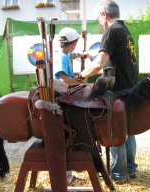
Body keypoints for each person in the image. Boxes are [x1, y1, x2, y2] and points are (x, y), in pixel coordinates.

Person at [76, 0, 138, 184]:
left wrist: (80, 75)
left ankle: (119, 175)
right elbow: (110, 53)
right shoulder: (124, 30)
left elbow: (99, 65)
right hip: (129, 89)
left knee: (115, 131)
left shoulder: (110, 31)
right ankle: (130, 168)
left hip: (117, 91)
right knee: (128, 130)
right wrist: (91, 53)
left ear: (104, 14)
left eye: (99, 17)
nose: (99, 21)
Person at [53, 27, 86, 185]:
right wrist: (80, 81)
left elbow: (72, 55)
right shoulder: (61, 58)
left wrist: (82, 54)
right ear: (73, 44)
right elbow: (65, 80)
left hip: (64, 93)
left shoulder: (65, 54)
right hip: (60, 96)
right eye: (76, 45)